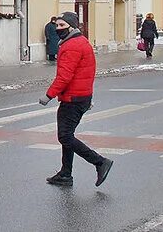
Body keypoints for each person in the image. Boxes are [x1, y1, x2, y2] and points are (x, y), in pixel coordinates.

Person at [41, 12, 114, 187]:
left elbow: (64, 76)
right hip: (80, 96)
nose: (58, 29)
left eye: (62, 26)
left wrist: (48, 95)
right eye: (57, 25)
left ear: (72, 27)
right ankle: (66, 174)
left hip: (73, 99)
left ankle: (100, 162)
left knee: (65, 137)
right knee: (68, 136)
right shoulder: (80, 42)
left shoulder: (71, 46)